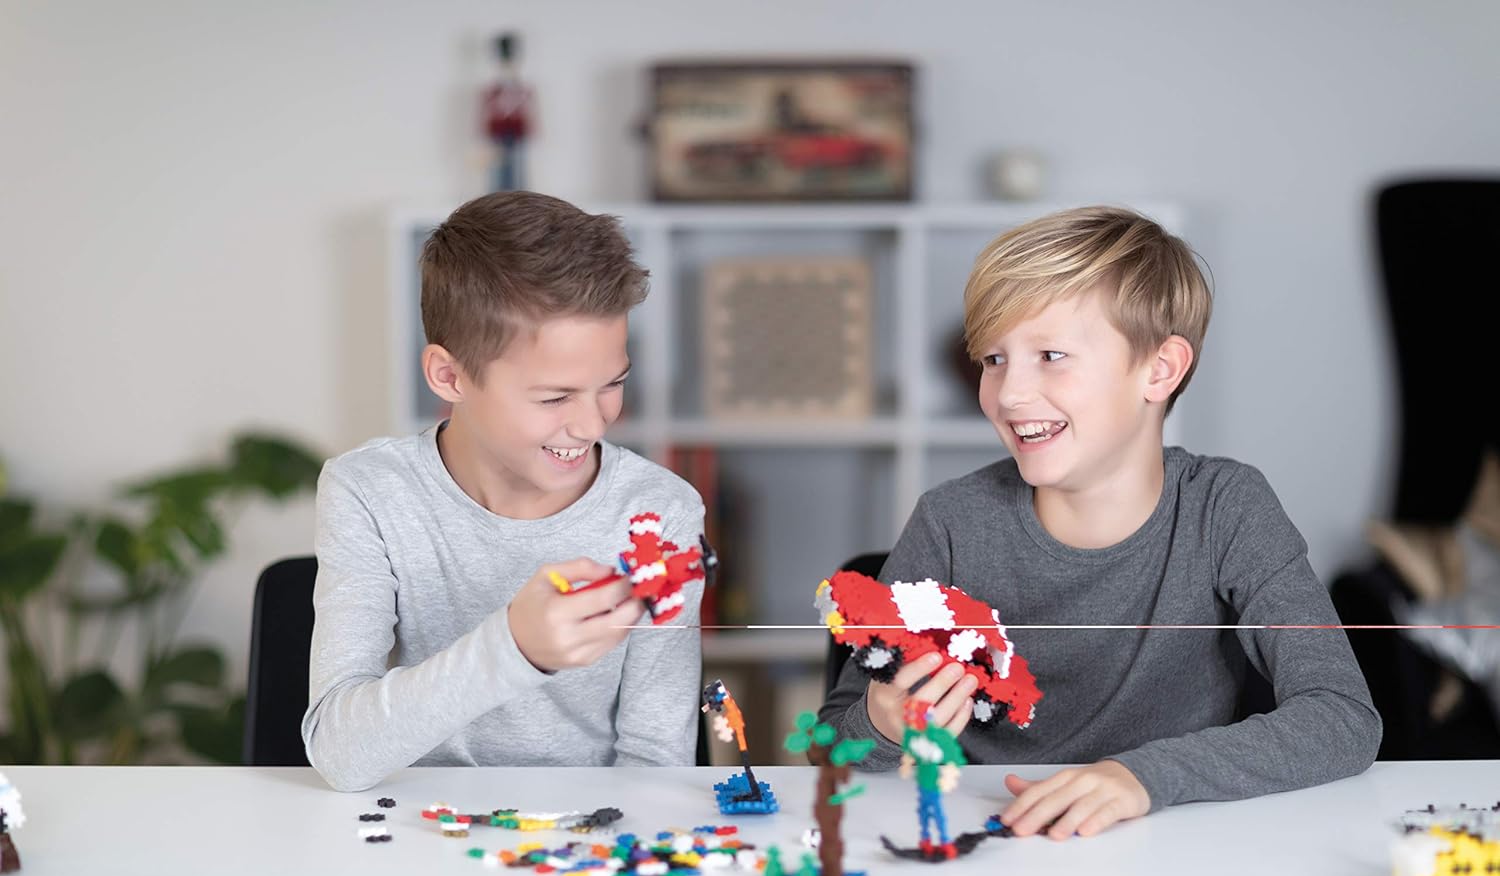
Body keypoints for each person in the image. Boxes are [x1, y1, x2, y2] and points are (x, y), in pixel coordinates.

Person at [820, 205, 1381, 838]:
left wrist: (1141, 777)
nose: (1009, 394)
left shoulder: (1226, 507)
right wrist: (883, 724)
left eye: (1051, 355)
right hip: (986, 837)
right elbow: (834, 742)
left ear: (1159, 370)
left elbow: (1342, 717)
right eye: (993, 359)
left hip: (1172, 842)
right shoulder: (949, 522)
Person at [303, 191, 703, 791]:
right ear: (449, 376)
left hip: (591, 834)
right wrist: (513, 649)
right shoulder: (369, 491)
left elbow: (656, 763)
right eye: (555, 397)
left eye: (612, 384)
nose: (592, 425)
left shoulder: (660, 512)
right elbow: (338, 753)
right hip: (410, 825)